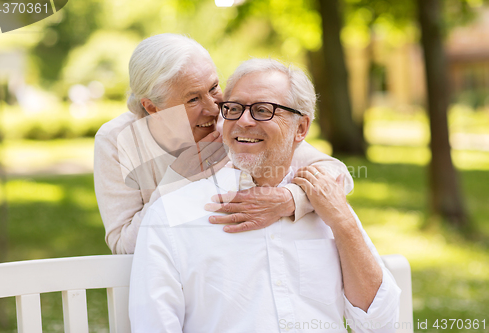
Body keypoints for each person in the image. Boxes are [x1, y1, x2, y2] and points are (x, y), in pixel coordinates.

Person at [129, 59, 401, 333]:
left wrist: (343, 223)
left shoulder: (326, 202)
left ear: (301, 129)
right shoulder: (172, 214)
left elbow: (380, 324)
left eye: (262, 110)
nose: (243, 121)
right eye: (234, 109)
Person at [94, 34, 353, 254]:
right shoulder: (117, 141)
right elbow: (123, 244)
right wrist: (179, 178)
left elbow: (338, 174)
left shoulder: (233, 122)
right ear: (152, 107)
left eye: (214, 87)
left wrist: (291, 199)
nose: (213, 107)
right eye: (193, 99)